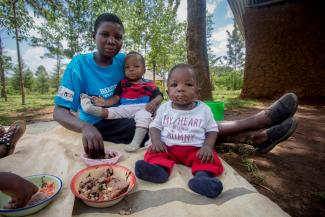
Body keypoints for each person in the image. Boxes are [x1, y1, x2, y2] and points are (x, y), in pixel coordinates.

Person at [53, 13, 298, 160]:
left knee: (179, 112)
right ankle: (257, 125)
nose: (112, 41)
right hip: (103, 122)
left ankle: (255, 137)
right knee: (164, 127)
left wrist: (160, 99)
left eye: (118, 37)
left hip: (140, 109)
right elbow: (59, 112)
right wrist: (85, 127)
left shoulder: (124, 60)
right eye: (105, 35)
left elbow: (147, 87)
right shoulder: (78, 66)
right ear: (93, 35)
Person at [135, 64, 224, 198]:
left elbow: (212, 130)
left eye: (188, 84)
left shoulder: (204, 109)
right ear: (168, 92)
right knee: (154, 152)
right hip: (168, 149)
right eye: (174, 85)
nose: (181, 89)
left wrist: (207, 146)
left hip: (195, 151)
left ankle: (202, 178)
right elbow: (154, 126)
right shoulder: (164, 108)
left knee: (210, 158)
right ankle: (159, 170)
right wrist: (156, 141)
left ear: (197, 92)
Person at [80, 51, 163, 152]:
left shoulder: (149, 84)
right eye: (127, 67)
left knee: (144, 117)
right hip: (125, 107)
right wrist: (105, 103)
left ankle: (135, 143)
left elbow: (159, 96)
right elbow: (116, 98)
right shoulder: (122, 83)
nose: (131, 69)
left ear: (144, 70)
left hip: (143, 108)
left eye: (136, 66)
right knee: (112, 112)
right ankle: (89, 108)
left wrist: (154, 102)